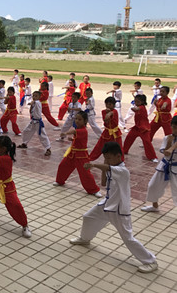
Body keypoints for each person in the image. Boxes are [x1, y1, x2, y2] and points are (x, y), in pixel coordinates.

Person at [70, 142, 158, 274]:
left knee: (128, 238)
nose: (107, 161)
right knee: (88, 217)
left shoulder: (123, 171)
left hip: (119, 211)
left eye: (109, 158)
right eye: (105, 158)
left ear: (118, 156)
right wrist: (105, 166)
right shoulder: (111, 167)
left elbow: (109, 169)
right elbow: (104, 183)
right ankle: (85, 238)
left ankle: (150, 261)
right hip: (107, 205)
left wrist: (94, 165)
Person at [54, 111, 102, 197]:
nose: (77, 121)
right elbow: (78, 138)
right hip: (72, 153)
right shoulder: (79, 130)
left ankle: (93, 190)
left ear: (85, 121)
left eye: (79, 119)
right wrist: (72, 140)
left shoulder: (83, 130)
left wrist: (65, 133)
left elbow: (75, 132)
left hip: (81, 155)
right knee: (63, 166)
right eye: (76, 119)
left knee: (85, 173)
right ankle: (60, 181)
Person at [141, 116, 177, 213]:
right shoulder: (167, 138)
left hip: (176, 167)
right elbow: (166, 153)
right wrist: (170, 142)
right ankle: (154, 206)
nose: (174, 130)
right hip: (164, 165)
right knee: (153, 185)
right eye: (173, 127)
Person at [123, 95, 158, 162]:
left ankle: (153, 157)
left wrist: (133, 108)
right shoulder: (139, 106)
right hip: (137, 127)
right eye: (135, 101)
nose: (136, 102)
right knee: (129, 137)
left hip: (144, 128)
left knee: (147, 142)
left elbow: (136, 109)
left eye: (137, 101)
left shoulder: (142, 107)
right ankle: (124, 151)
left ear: (142, 102)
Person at [18, 91, 52, 156]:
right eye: (33, 96)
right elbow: (31, 110)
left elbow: (34, 102)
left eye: (36, 96)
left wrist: (32, 102)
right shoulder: (34, 103)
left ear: (39, 97)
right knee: (26, 131)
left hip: (38, 122)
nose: (34, 97)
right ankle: (24, 143)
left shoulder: (38, 102)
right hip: (33, 121)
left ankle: (48, 148)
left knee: (42, 135)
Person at [89, 97, 123, 162]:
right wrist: (107, 115)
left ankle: (121, 161)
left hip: (115, 133)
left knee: (119, 148)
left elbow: (112, 113)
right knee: (99, 146)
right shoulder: (103, 111)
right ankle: (90, 158)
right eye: (107, 104)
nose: (108, 106)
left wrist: (109, 113)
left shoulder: (115, 111)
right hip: (106, 132)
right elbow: (105, 121)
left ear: (113, 105)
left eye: (110, 104)